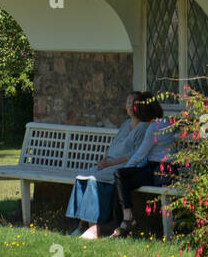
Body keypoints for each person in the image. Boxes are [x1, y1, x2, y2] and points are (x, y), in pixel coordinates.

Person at [66, 92, 149, 239]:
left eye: (133, 103)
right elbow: (112, 147)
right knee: (82, 176)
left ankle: (94, 229)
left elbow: (133, 155)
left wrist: (109, 163)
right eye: (128, 103)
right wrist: (103, 161)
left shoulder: (143, 128)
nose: (129, 106)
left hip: (123, 166)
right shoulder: (125, 125)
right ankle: (81, 225)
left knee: (93, 179)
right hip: (108, 163)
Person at [111, 97, 178, 237]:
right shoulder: (164, 122)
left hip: (160, 172)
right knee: (120, 180)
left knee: (120, 179)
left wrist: (127, 169)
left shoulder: (153, 128)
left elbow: (140, 154)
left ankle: (124, 222)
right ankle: (126, 220)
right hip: (161, 169)